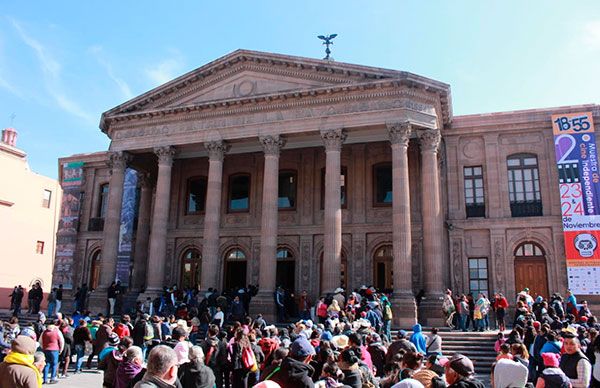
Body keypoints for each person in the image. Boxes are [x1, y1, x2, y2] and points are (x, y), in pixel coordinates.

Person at [41, 319, 64, 384]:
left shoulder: (44, 331)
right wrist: (61, 349)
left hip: (46, 349)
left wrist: (43, 347)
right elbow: (61, 341)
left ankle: (45, 379)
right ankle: (52, 378)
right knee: (54, 364)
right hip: (54, 349)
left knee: (46, 364)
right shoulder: (57, 331)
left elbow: (40, 341)